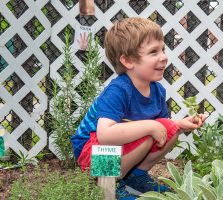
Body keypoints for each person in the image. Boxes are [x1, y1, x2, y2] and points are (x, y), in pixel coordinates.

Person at [70, 17, 206, 200]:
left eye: (163, 49)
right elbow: (105, 134)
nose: (164, 57)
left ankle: (135, 177)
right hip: (92, 151)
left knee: (169, 128)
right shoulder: (118, 90)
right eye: (153, 52)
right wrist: (150, 127)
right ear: (127, 61)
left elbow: (161, 126)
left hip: (118, 148)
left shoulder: (157, 90)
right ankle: (111, 183)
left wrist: (180, 124)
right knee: (150, 131)